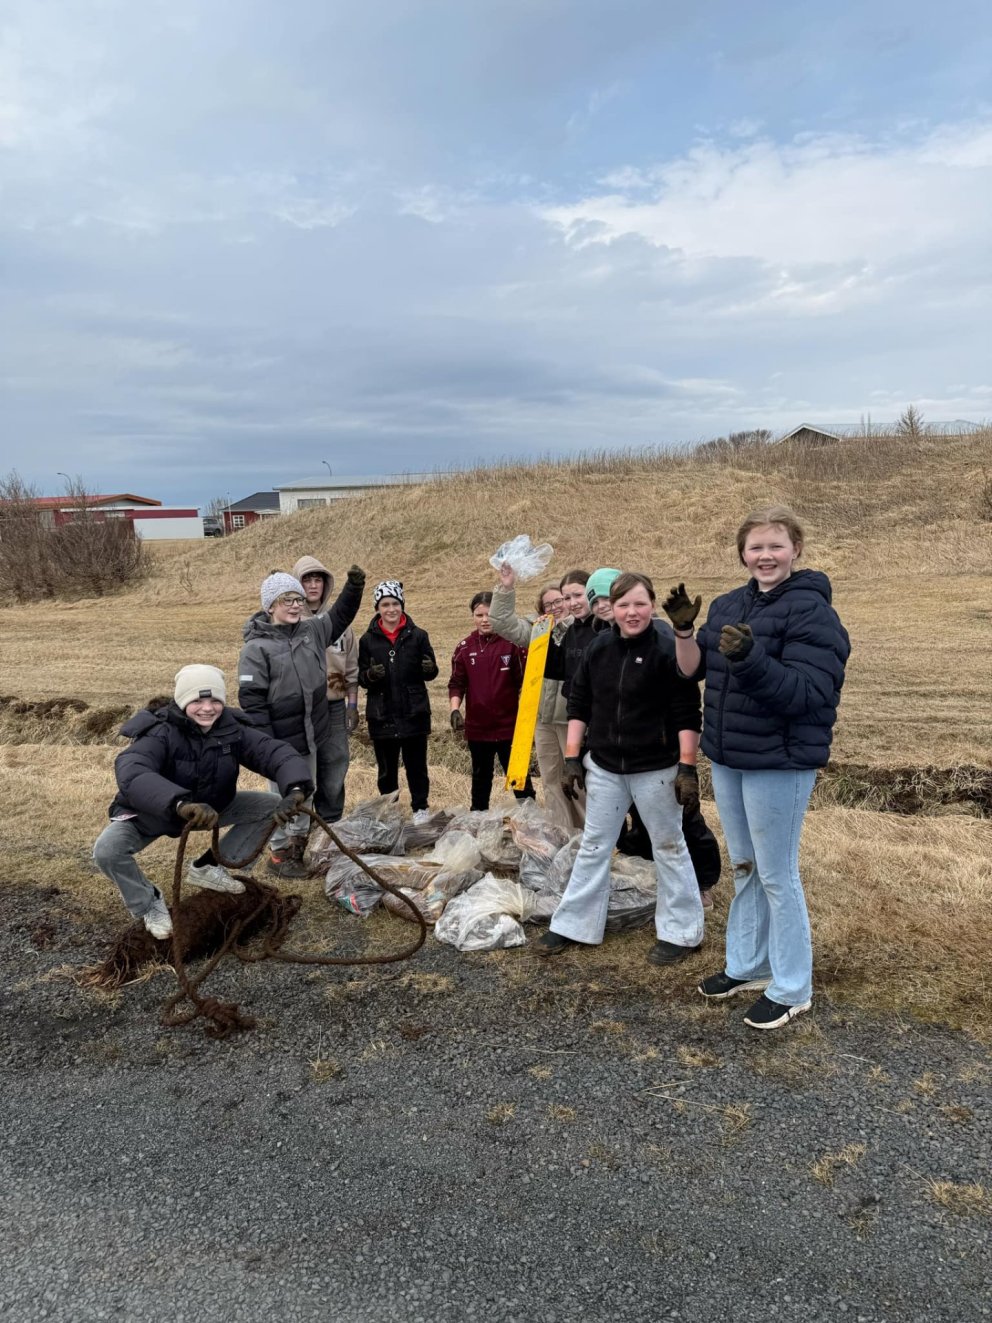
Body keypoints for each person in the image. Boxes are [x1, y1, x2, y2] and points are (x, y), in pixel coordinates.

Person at [664, 504, 850, 1030]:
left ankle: (793, 986)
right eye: (755, 547)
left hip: (780, 760)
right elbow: (691, 671)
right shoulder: (727, 604)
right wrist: (682, 631)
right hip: (729, 756)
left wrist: (751, 659)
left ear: (796, 550)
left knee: (776, 873)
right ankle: (747, 965)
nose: (765, 555)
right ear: (742, 553)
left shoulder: (812, 612)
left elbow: (809, 694)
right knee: (744, 865)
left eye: (775, 545)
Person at [537, 573, 705, 964]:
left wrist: (687, 768)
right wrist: (573, 758)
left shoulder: (666, 649)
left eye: (640, 604)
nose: (632, 612)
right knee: (594, 846)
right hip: (606, 767)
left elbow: (687, 713)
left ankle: (682, 932)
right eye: (623, 605)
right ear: (611, 608)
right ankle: (574, 924)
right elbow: (579, 703)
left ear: (651, 606)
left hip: (656, 768)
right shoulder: (600, 648)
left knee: (668, 845)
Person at [93, 665, 313, 940]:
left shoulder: (232, 729)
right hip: (151, 813)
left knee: (270, 805)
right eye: (197, 700)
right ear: (182, 701)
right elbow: (133, 770)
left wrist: (294, 789)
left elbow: (275, 753)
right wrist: (179, 803)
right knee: (107, 851)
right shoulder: (159, 731)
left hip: (210, 809)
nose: (207, 708)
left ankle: (211, 867)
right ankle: (149, 904)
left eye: (215, 701)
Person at [239, 567, 366, 878]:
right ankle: (279, 853)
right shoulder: (256, 649)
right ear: (270, 606)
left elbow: (340, 615)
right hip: (279, 739)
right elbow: (252, 702)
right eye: (286, 600)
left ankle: (298, 847)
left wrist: (355, 585)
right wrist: (267, 745)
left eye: (297, 599)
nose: (295, 605)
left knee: (304, 791)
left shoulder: (312, 631)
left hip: (310, 732)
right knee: (281, 796)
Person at [489, 567, 581, 831]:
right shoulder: (537, 631)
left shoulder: (582, 630)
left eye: (559, 601)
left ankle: (587, 837)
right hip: (542, 719)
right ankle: (560, 832)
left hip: (571, 719)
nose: (554, 607)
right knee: (551, 780)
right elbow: (501, 621)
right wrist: (506, 587)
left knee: (579, 781)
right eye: (548, 604)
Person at [358, 580, 438, 823]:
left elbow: (432, 671)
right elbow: (361, 677)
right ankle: (390, 809)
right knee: (386, 770)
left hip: (414, 712)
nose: (391, 609)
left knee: (417, 767)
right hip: (382, 714)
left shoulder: (419, 636)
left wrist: (429, 668)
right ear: (377, 608)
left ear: (402, 605)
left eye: (395, 603)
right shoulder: (367, 640)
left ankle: (420, 809)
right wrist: (370, 675)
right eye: (385, 604)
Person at [448, 591, 535, 811]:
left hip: (511, 727)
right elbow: (456, 682)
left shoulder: (513, 645)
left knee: (519, 779)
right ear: (473, 617)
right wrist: (454, 709)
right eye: (479, 615)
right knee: (480, 779)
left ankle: (531, 820)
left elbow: (525, 683)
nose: (485, 620)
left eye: (489, 614)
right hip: (478, 729)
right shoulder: (464, 647)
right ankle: (478, 819)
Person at [292, 555, 359, 824]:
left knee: (336, 761)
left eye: (318, 579)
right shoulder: (290, 623)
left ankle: (330, 820)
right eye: (306, 579)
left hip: (333, 705)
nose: (313, 585)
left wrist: (352, 706)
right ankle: (300, 824)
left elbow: (351, 669)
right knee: (303, 765)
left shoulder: (341, 625)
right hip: (300, 707)